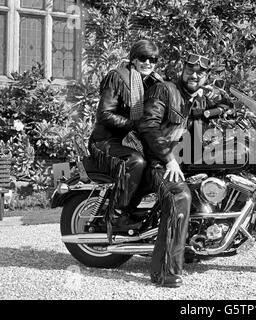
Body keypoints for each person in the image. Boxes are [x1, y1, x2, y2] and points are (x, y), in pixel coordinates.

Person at [134, 53, 216, 287]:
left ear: (206, 77)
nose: (194, 74)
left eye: (200, 72)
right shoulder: (164, 90)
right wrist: (169, 159)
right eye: (190, 69)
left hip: (175, 160)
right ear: (183, 70)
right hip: (155, 160)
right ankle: (165, 273)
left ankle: (191, 247)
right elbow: (148, 126)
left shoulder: (195, 99)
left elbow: (218, 108)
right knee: (180, 195)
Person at [88, 40, 163, 231]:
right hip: (106, 141)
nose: (148, 63)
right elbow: (104, 114)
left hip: (132, 140)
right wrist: (136, 125)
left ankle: (136, 213)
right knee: (136, 162)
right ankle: (115, 217)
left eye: (153, 59)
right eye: (143, 58)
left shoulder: (155, 82)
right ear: (134, 59)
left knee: (157, 167)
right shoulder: (117, 77)